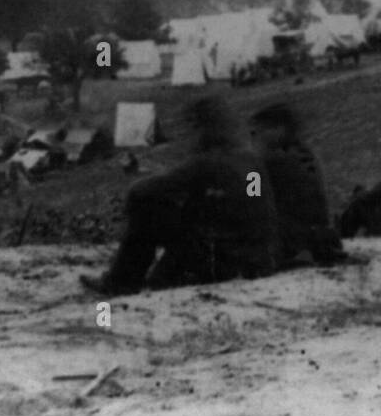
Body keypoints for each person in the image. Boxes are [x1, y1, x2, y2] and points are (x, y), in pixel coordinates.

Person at [82, 96, 279, 295]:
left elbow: (141, 191)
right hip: (255, 257)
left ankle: (121, 281)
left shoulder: (207, 162)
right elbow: (252, 206)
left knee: (147, 206)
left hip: (222, 258)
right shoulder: (250, 160)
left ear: (201, 128)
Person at [248, 103, 347, 267]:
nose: (254, 136)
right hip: (324, 238)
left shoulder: (265, 163)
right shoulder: (306, 154)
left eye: (258, 130)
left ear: (279, 130)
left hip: (291, 242)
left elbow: (251, 200)